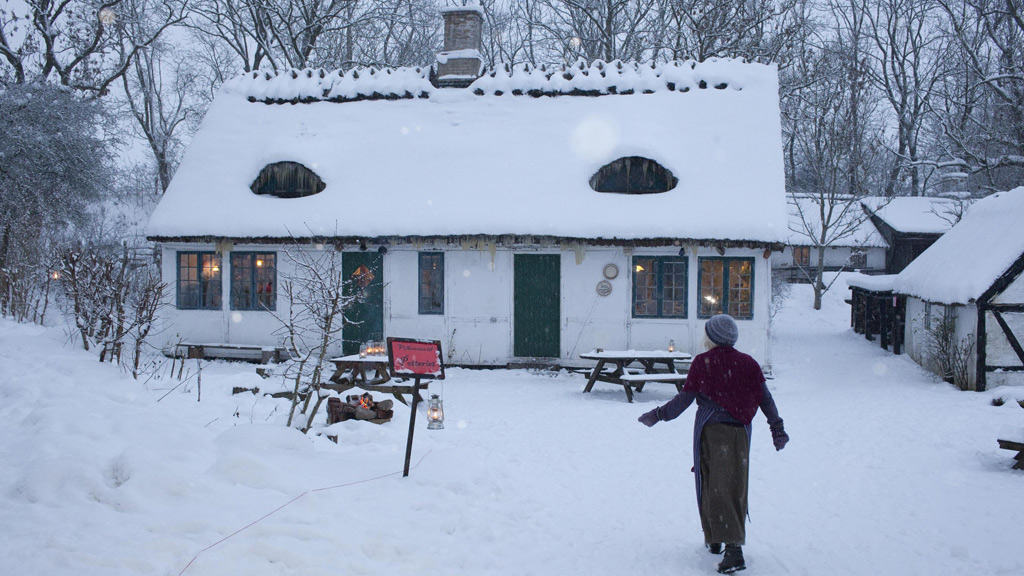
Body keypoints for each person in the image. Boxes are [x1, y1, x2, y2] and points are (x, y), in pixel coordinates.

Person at [638, 314, 789, 574]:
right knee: (726, 484)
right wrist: (777, 427)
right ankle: (715, 537)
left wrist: (659, 415)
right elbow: (765, 398)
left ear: (711, 337)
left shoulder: (704, 362)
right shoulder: (748, 363)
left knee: (719, 487)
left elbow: (684, 399)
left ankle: (733, 551)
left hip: (714, 432)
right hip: (739, 433)